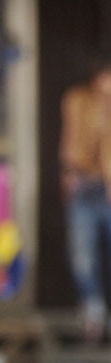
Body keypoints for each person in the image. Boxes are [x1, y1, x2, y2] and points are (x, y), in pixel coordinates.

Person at [59, 63, 111, 342]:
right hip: (85, 185)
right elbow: (73, 143)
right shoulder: (78, 101)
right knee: (83, 255)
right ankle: (93, 310)